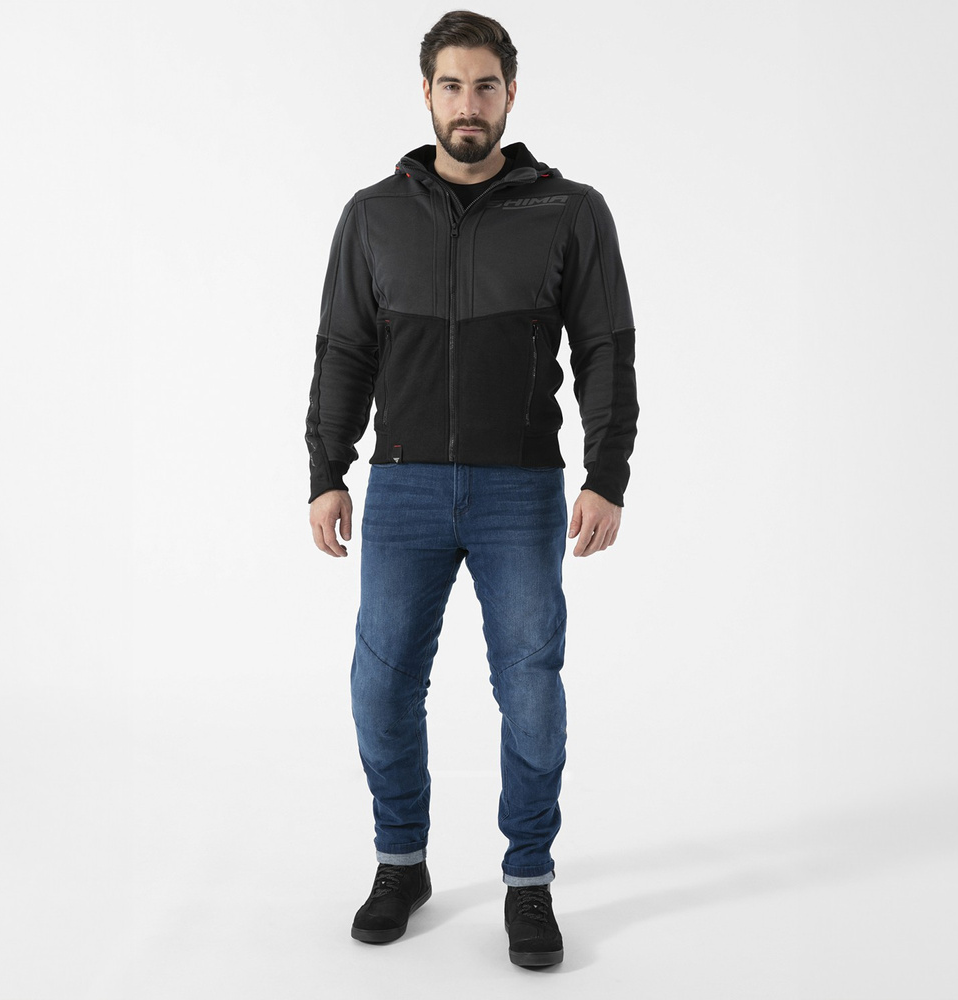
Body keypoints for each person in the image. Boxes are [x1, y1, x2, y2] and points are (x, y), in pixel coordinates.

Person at [306, 10, 638, 968]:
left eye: (485, 86)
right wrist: (326, 469)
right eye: (451, 86)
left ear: (510, 95)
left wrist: (607, 473)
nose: (468, 104)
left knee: (530, 690)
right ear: (426, 94)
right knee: (380, 685)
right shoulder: (373, 213)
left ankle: (528, 879)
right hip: (403, 488)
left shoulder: (569, 210)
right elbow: (344, 348)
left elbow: (606, 347)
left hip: (520, 489)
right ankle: (400, 861)